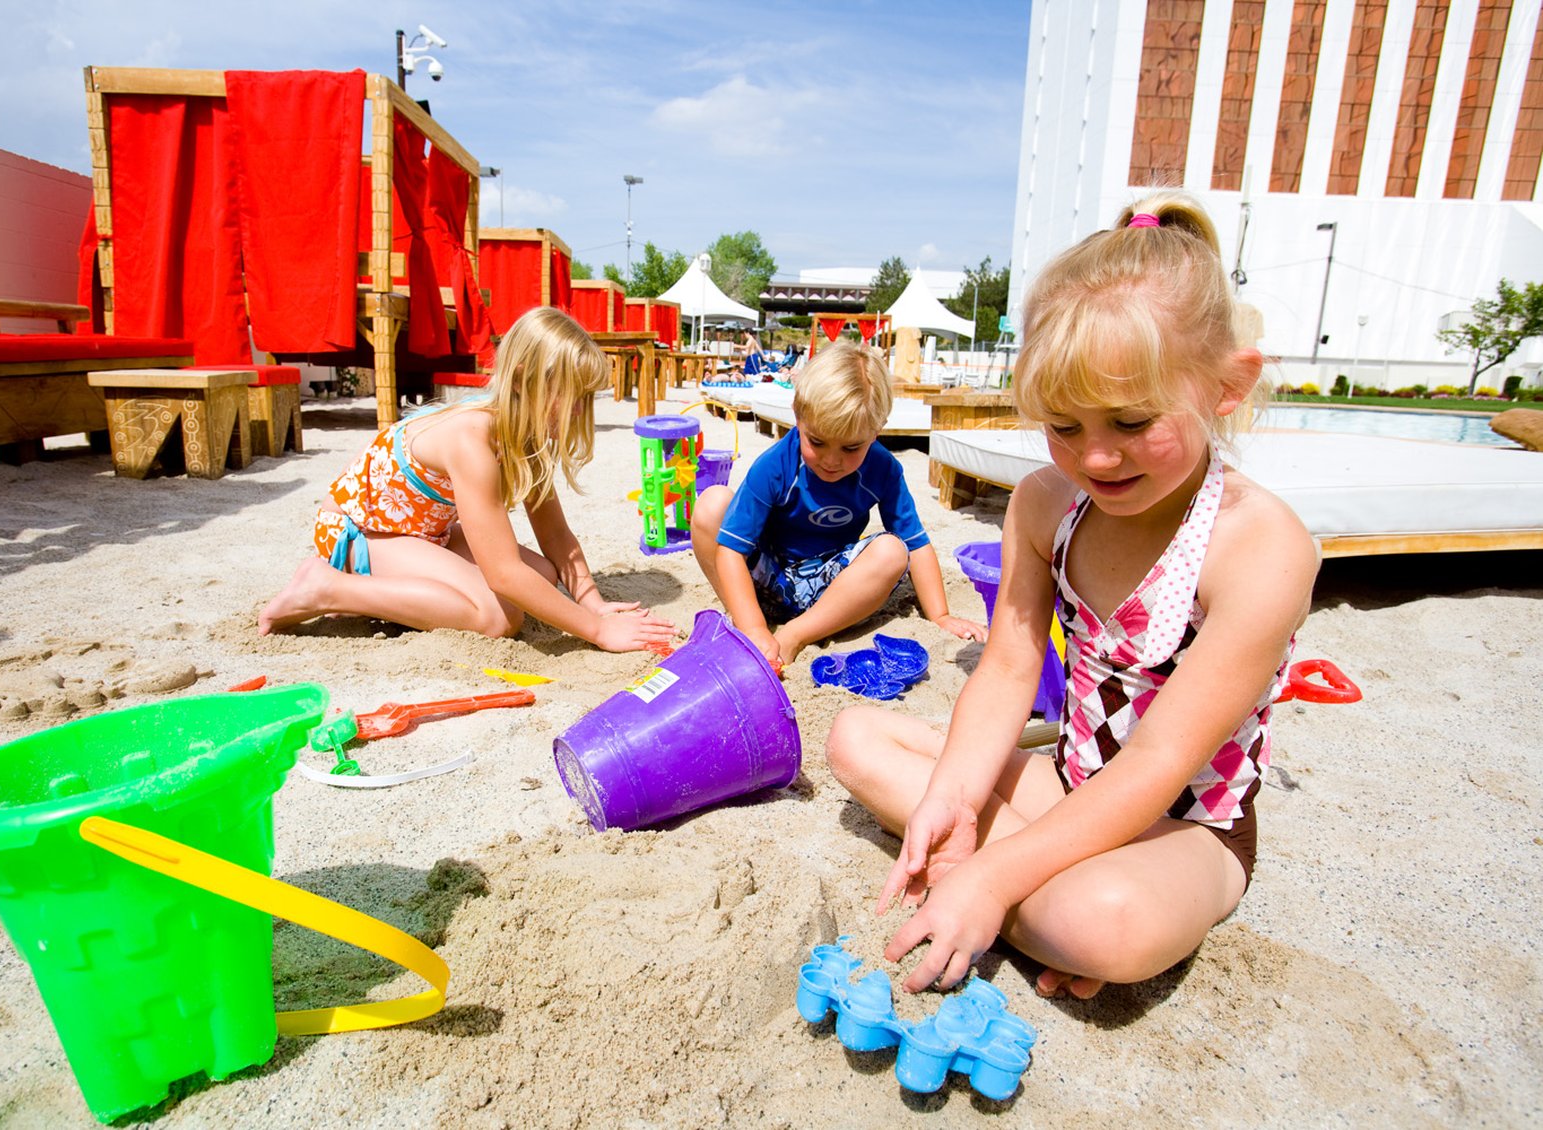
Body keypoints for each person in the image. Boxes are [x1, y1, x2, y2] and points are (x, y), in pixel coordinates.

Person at [824, 191, 1318, 1000]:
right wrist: (952, 799)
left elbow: (1160, 763)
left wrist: (987, 877)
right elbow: (1010, 666)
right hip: (1074, 775)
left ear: (1226, 386)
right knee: (854, 738)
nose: (1096, 456)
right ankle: (1023, 886)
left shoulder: (1259, 546)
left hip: (1187, 827)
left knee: (1106, 925)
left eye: (1130, 421)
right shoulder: (1046, 503)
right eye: (1062, 423)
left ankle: (1015, 892)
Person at [258, 306, 678, 653]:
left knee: (545, 577)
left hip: (420, 530)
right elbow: (504, 574)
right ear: (525, 383)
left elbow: (555, 534)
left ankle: (378, 589)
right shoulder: (470, 440)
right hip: (362, 533)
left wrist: (593, 604)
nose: (577, 412)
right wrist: (598, 632)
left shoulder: (523, 434)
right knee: (499, 615)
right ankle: (328, 588)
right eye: (573, 397)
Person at [691, 340, 984, 669]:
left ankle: (796, 634)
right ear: (798, 417)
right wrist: (756, 629)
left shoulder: (882, 469)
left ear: (876, 431)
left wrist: (941, 615)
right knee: (711, 504)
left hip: (832, 592)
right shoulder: (776, 466)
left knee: (892, 551)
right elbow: (731, 550)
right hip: (768, 580)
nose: (832, 460)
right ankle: (743, 617)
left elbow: (916, 543)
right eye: (817, 442)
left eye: (851, 448)